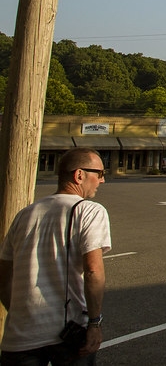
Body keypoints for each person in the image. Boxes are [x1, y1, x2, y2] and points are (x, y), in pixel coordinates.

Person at [0, 148, 112, 365]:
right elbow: (93, 271)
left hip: (19, 336)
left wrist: (19, 312)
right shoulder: (89, 211)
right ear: (79, 175)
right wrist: (94, 323)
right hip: (67, 333)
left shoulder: (25, 214)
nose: (102, 180)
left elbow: (3, 276)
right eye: (99, 173)